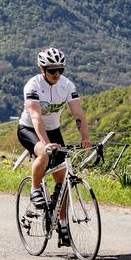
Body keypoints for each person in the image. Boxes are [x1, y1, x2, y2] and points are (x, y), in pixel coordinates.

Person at [17, 47, 91, 246]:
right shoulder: (32, 86)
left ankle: (62, 223)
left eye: (60, 70)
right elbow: (35, 116)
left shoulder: (66, 85)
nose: (56, 74)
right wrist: (45, 143)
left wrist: (85, 138)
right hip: (29, 129)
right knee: (43, 153)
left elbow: (78, 114)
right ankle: (34, 189)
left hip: (54, 130)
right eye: (52, 71)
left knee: (63, 177)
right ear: (42, 70)